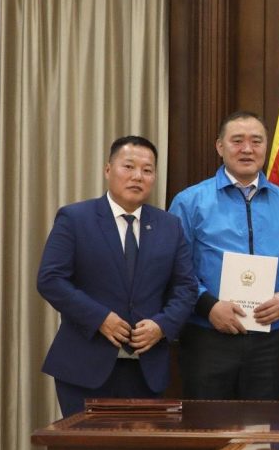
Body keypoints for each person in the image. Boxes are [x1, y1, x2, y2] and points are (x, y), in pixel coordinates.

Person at [38, 136, 198, 417]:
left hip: (147, 368)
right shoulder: (75, 218)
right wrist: (100, 318)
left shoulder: (169, 226)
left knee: (141, 445)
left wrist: (161, 326)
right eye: (129, 167)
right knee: (86, 445)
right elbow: (51, 280)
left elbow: (186, 288)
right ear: (108, 170)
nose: (138, 176)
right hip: (85, 365)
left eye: (147, 170)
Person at [169, 111, 279, 400]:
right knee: (208, 422)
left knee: (260, 424)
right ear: (220, 146)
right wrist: (208, 306)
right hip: (207, 336)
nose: (247, 149)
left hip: (270, 340)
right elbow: (176, 268)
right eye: (237, 141)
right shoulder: (190, 202)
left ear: (266, 147)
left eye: (256, 141)